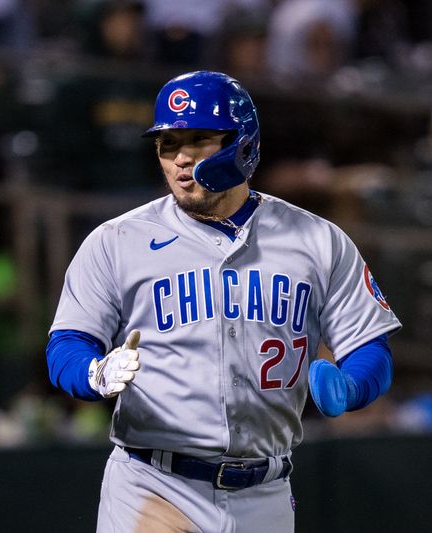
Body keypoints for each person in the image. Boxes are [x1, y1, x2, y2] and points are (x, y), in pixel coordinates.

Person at [46, 70, 401, 532]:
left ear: (243, 143)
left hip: (266, 490)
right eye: (168, 144)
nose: (181, 158)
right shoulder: (117, 240)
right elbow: (66, 343)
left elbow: (370, 346)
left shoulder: (317, 240)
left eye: (198, 140)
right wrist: (94, 372)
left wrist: (351, 387)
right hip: (155, 483)